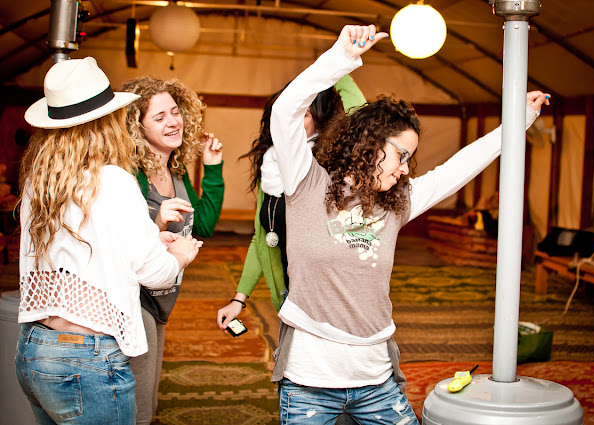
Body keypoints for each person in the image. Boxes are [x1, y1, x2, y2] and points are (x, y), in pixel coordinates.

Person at [268, 24, 551, 423]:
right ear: (370, 142)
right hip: (309, 382)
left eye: (408, 160)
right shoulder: (307, 182)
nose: (404, 169)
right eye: (401, 155)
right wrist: (341, 57)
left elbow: (458, 168)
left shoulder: (396, 203)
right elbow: (285, 111)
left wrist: (518, 121)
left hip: (376, 381)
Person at [15, 57, 202, 425]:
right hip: (87, 358)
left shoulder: (39, 182)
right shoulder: (114, 180)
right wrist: (179, 254)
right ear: (107, 122)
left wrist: (151, 235)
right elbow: (156, 274)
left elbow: (82, 250)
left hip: (35, 347)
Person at [216, 76, 365, 331]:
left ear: (320, 120)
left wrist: (337, 69)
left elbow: (361, 120)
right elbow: (263, 239)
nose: (292, 120)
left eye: (304, 114)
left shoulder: (327, 165)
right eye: (287, 112)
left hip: (324, 303)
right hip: (288, 299)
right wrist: (238, 299)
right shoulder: (270, 168)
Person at [120, 76, 225, 425]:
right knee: (138, 408)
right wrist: (157, 220)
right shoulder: (130, 175)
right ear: (138, 127)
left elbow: (202, 225)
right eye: (160, 116)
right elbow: (118, 242)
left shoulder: (174, 171)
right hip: (134, 300)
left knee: (148, 399)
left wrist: (212, 168)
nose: (173, 121)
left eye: (176, 112)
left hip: (161, 299)